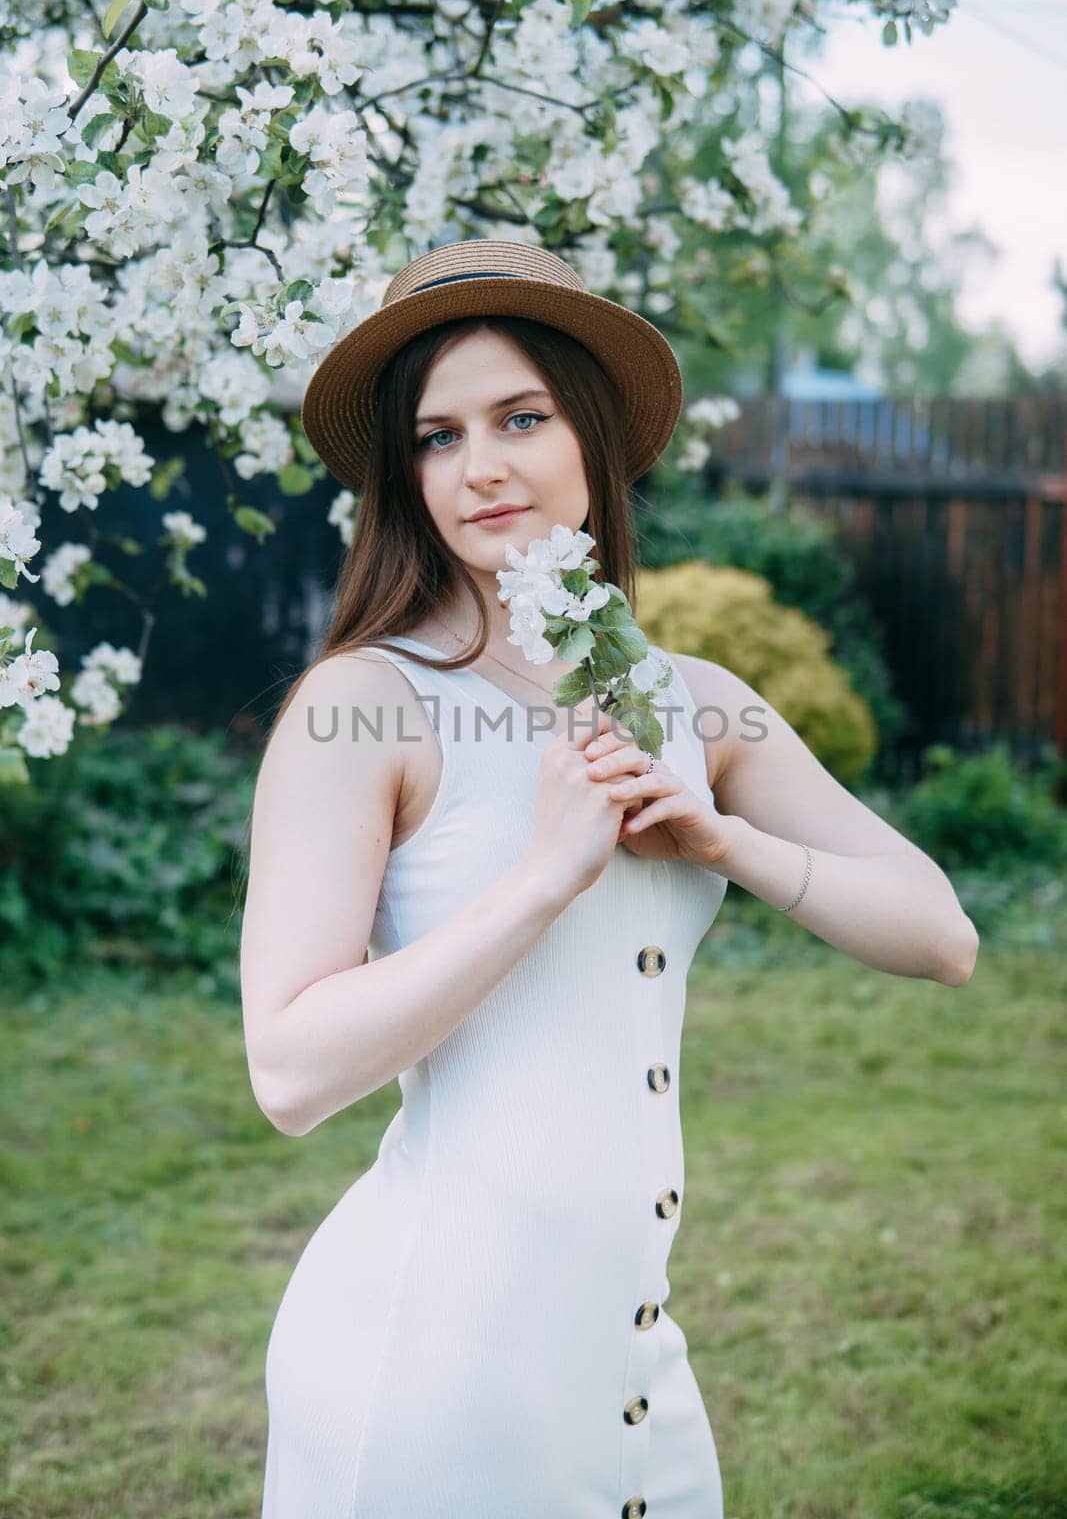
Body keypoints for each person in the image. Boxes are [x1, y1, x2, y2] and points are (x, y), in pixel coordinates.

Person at [240, 239, 979, 1518]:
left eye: (518, 417)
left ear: (591, 435)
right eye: (435, 436)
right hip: (432, 1377)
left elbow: (940, 937)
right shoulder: (363, 706)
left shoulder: (701, 706)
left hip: (637, 1375)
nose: (478, 467)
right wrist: (539, 876)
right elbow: (290, 1072)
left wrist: (722, 839)